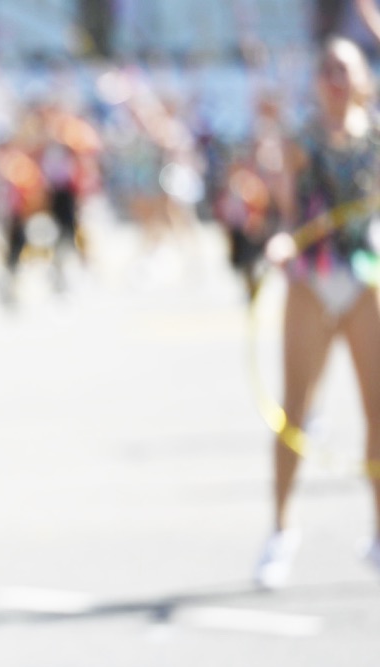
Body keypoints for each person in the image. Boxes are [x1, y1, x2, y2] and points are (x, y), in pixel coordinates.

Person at [255, 35, 380, 588]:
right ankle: (280, 531)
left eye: (344, 68)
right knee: (295, 412)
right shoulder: (302, 138)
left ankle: (378, 532)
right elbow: (286, 212)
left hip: (364, 277)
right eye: (326, 67)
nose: (334, 78)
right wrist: (282, 241)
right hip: (311, 278)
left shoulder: (376, 136)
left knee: (378, 413)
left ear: (361, 79)